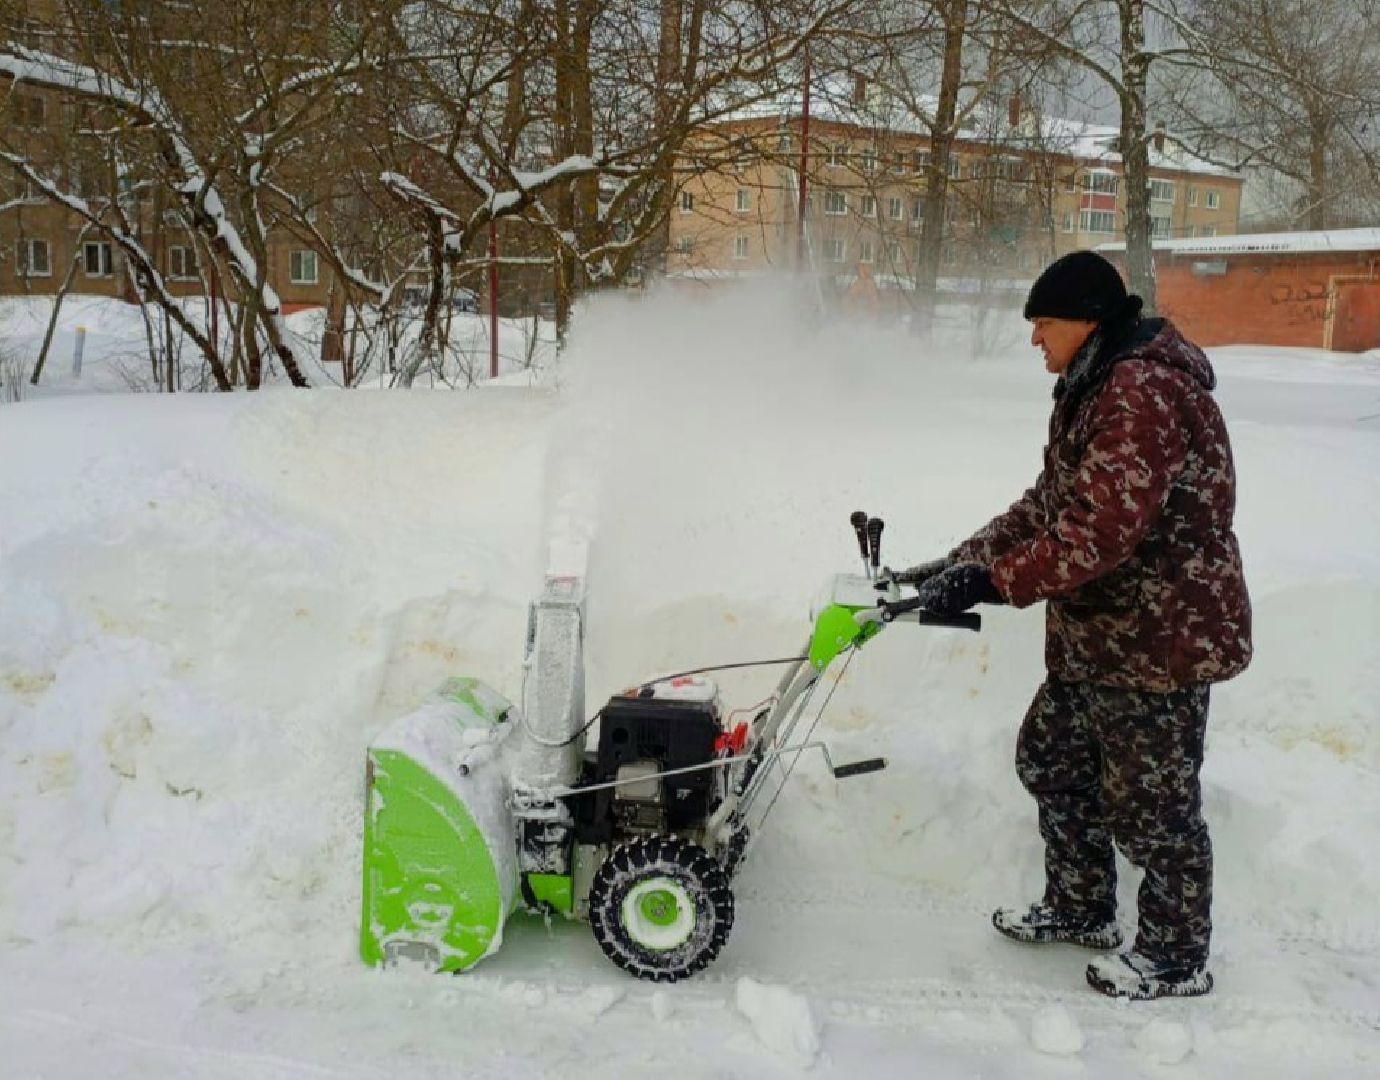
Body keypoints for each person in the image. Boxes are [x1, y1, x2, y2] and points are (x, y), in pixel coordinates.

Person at [900, 250, 1252, 1001]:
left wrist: (994, 582)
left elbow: (1098, 532)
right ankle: (1083, 906)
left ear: (1087, 319)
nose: (1034, 339)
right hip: (1101, 637)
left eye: (1044, 324)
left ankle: (1174, 955)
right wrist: (953, 563)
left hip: (1158, 639)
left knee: (1156, 809)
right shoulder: (1091, 384)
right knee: (1051, 760)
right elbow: (1047, 505)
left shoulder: (1141, 393)